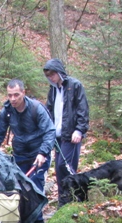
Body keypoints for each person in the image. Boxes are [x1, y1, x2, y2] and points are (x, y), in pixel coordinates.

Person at [0, 79, 55, 223]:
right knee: (18, 188)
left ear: (23, 92)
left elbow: (50, 131)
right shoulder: (7, 111)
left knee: (35, 186)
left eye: (16, 95)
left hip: (38, 154)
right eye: (10, 95)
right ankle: (21, 222)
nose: (13, 99)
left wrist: (43, 153)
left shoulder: (36, 108)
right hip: (19, 154)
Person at [43, 59, 90, 207]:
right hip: (57, 135)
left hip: (71, 135)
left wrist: (79, 130)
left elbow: (83, 109)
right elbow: (49, 110)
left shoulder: (74, 86)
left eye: (52, 74)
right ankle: (64, 200)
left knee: (65, 166)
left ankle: (72, 199)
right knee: (58, 168)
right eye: (48, 75)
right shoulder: (53, 90)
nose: (51, 77)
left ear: (59, 72)